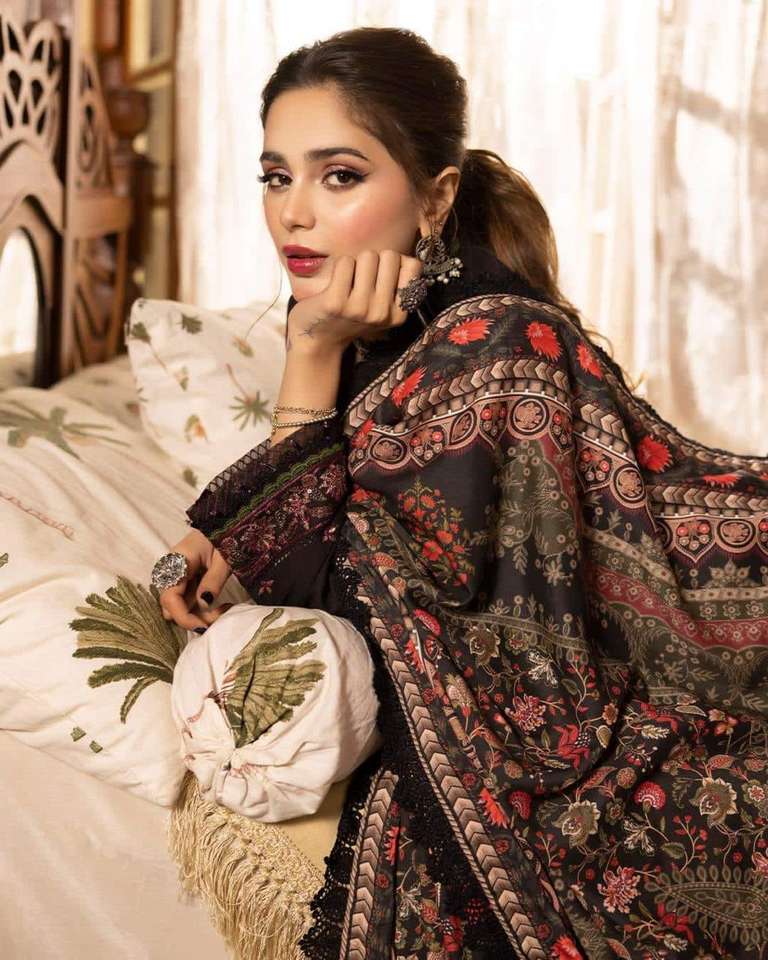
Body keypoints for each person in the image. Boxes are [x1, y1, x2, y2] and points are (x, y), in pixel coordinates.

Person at [153, 26, 768, 960]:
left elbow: (350, 594)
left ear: (435, 197)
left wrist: (307, 360)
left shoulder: (494, 342)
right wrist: (225, 527)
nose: (293, 215)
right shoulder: (366, 331)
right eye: (276, 177)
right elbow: (331, 524)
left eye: (340, 176)